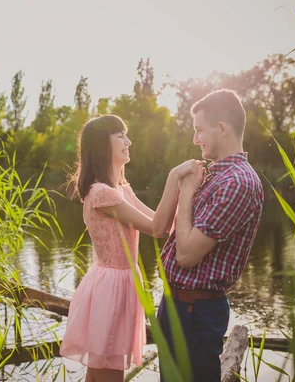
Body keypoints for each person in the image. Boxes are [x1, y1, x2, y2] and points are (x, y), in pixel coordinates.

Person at [60, 114, 203, 382]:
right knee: (109, 374)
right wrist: (174, 177)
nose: (129, 141)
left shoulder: (121, 189)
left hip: (122, 282)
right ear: (103, 144)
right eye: (120, 135)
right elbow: (156, 230)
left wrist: (193, 201)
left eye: (126, 134)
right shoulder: (102, 193)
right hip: (110, 288)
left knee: (99, 372)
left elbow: (164, 223)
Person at [156, 89, 264, 382]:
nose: (195, 139)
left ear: (222, 128)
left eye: (199, 130)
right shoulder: (216, 175)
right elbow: (181, 233)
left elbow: (187, 255)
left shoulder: (237, 183)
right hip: (178, 306)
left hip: (196, 312)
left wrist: (188, 190)